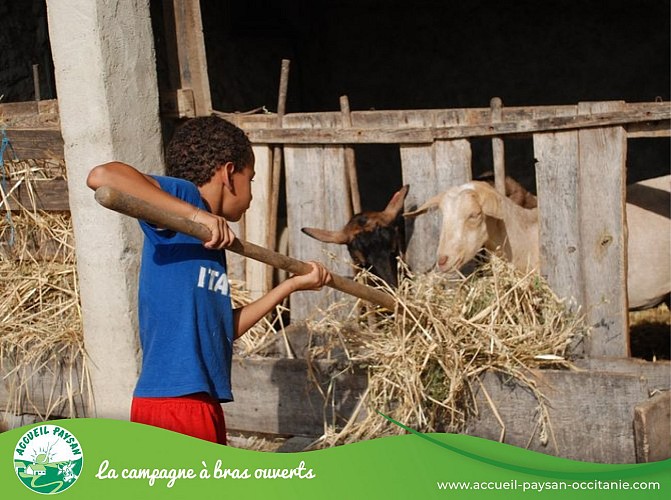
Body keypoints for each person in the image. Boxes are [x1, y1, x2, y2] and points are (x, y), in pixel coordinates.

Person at [86, 116, 331, 444]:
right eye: (251, 179)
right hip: (175, 403)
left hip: (200, 402)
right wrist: (195, 214)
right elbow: (102, 176)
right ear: (230, 174)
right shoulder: (185, 201)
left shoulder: (212, 241)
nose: (252, 195)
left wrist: (291, 285)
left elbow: (222, 330)